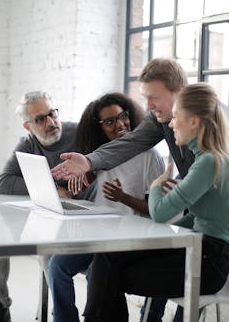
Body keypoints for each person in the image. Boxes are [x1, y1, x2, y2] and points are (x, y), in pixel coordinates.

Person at [51, 58, 229, 321]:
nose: (147, 106)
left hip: (212, 240)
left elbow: (225, 180)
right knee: (108, 261)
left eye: (153, 97)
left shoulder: (215, 126)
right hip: (194, 223)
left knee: (115, 272)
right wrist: (89, 161)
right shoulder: (166, 121)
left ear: (179, 93)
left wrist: (167, 188)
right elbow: (131, 143)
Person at [48, 92, 165, 322]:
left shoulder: (149, 156)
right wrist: (81, 185)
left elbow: (156, 210)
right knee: (56, 266)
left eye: (123, 116)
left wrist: (123, 198)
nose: (120, 124)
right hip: (98, 234)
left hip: (129, 237)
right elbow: (87, 195)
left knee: (97, 273)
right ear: (98, 128)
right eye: (110, 121)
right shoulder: (98, 156)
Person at [0, 91, 85, 322]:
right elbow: (4, 182)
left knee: (47, 253)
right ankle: (0, 305)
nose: (51, 122)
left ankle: (59, 312)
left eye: (52, 114)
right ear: (28, 126)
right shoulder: (27, 144)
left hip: (82, 215)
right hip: (48, 214)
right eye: (40, 119)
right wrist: (54, 190)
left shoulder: (79, 133)